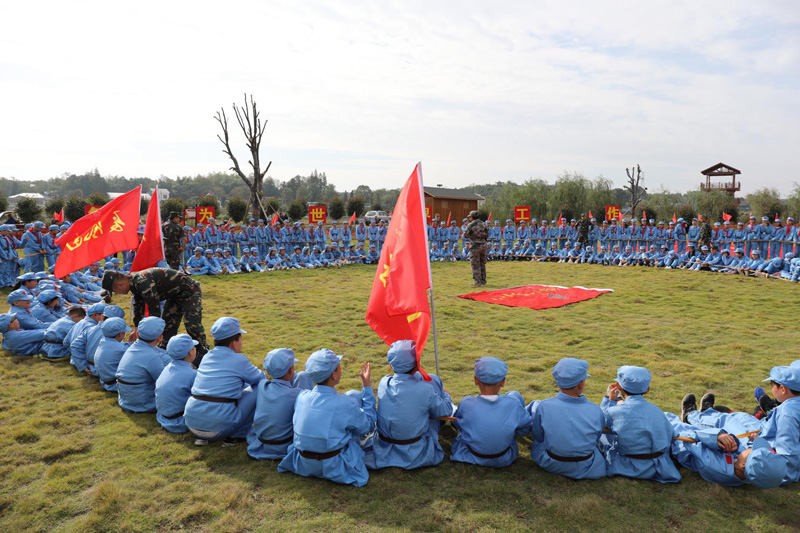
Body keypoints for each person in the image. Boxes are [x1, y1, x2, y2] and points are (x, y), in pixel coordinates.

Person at [278, 349, 376, 487]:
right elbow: (369, 425)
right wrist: (367, 387)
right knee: (354, 398)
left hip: (304, 463)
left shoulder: (302, 396)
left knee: (352, 397)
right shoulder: (344, 403)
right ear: (334, 374)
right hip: (335, 466)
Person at [364, 340, 454, 470]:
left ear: (391, 365)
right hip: (414, 452)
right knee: (433, 418)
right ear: (417, 365)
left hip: (382, 447)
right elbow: (445, 410)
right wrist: (445, 395)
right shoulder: (425, 389)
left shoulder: (384, 382)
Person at [184, 317, 265, 446]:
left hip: (191, 424)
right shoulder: (239, 360)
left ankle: (203, 437)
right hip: (220, 428)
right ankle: (237, 436)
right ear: (233, 342)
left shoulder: (206, 357)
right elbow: (261, 379)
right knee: (259, 388)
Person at [102, 268, 209, 359]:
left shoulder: (142, 281)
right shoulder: (133, 283)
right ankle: (166, 352)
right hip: (174, 295)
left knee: (192, 324)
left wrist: (149, 338)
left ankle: (203, 351)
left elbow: (154, 311)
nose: (118, 294)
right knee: (168, 325)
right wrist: (136, 328)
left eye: (116, 291)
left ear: (120, 284)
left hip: (189, 291)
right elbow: (138, 305)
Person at [528, 358, 606, 479]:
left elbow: (538, 436)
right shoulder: (596, 410)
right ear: (581, 383)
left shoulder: (544, 406)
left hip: (551, 463)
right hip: (587, 466)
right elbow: (596, 439)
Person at [600, 366, 681, 483]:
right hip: (656, 466)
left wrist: (609, 400)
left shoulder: (613, 412)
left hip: (624, 465)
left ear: (618, 387)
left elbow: (601, 423)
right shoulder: (657, 411)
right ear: (647, 390)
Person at [450, 357, 531, 468]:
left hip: (470, 455)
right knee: (514, 394)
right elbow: (526, 428)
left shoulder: (466, 403)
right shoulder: (513, 403)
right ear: (503, 382)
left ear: (475, 379)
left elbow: (457, 423)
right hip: (505, 458)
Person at [246, 348, 313, 460]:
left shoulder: (262, 385)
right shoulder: (297, 394)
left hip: (261, 444)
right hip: (284, 447)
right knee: (303, 376)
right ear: (291, 371)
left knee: (301, 375)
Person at [115, 317, 171, 413]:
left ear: (137, 334)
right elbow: (164, 381)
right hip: (143, 403)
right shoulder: (152, 356)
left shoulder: (132, 348)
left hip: (126, 399)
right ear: (160, 338)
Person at [155, 334, 198, 433]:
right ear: (190, 353)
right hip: (180, 422)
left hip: (162, 418)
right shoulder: (192, 374)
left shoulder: (167, 368)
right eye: (194, 347)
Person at [94, 317, 133, 392]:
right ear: (120, 334)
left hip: (106, 382)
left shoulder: (103, 342)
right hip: (116, 385)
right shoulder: (121, 349)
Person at [463, 211, 489, 286]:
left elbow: (465, 235)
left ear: (472, 217)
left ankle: (477, 282)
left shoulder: (471, 225)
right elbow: (488, 234)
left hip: (475, 246)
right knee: (482, 263)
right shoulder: (484, 224)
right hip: (483, 245)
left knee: (475, 264)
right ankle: (483, 281)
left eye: (470, 217)